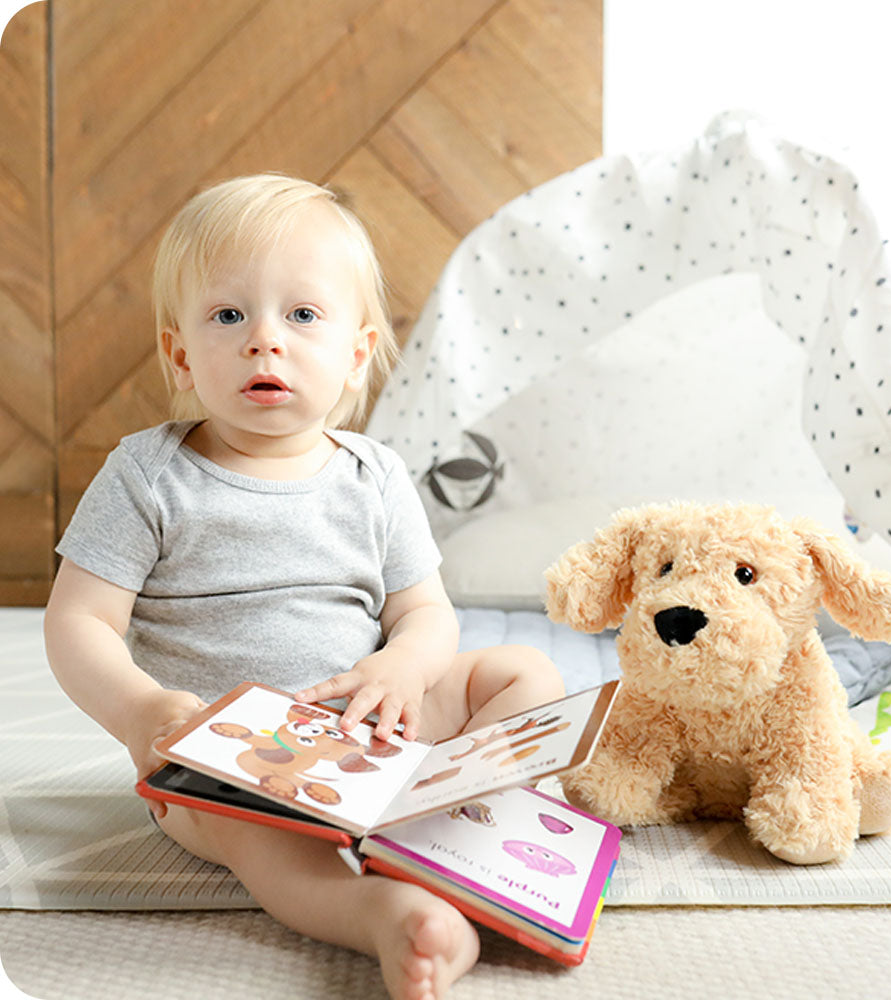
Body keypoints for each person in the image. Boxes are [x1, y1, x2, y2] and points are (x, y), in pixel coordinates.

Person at [43, 174, 565, 1000]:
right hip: (229, 758)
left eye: (302, 315)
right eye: (228, 316)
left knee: (524, 675)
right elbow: (78, 622)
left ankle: (468, 834)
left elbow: (426, 612)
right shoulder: (149, 474)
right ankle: (388, 916)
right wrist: (145, 712)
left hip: (373, 722)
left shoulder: (375, 475)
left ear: (356, 353)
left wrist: (403, 668)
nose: (264, 341)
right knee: (270, 845)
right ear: (180, 354)